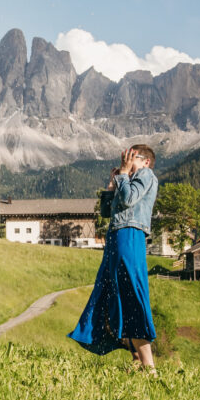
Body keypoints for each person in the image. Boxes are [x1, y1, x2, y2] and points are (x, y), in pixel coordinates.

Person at [68, 144, 159, 373]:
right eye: (124, 156)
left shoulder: (146, 175)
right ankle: (137, 358)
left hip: (130, 235)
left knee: (131, 292)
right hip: (117, 236)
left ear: (146, 161)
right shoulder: (127, 178)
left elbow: (129, 199)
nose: (126, 160)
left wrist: (122, 176)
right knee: (114, 293)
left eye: (132, 157)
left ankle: (149, 366)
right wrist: (112, 185)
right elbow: (107, 212)